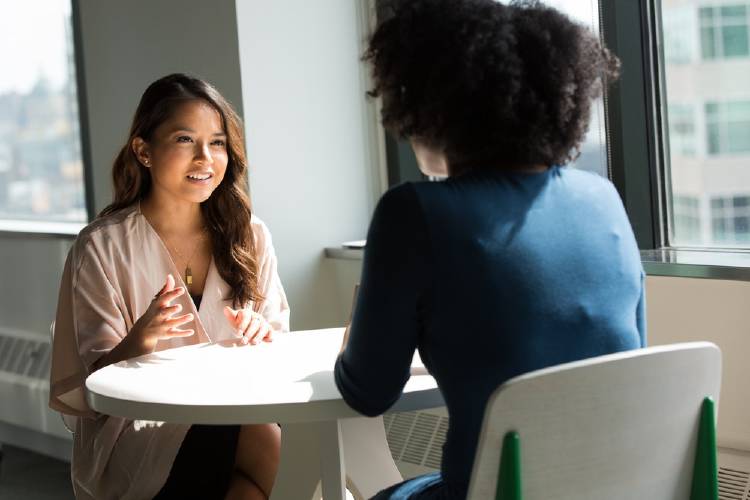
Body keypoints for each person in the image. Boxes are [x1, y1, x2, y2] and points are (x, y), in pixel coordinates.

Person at [334, 1, 645, 498]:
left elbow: (368, 392)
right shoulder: (602, 199)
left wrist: (356, 342)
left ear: (433, 107)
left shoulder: (412, 213)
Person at [49, 74, 289, 500]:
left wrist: (262, 334)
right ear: (143, 151)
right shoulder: (101, 246)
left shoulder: (251, 235)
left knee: (251, 483)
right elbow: (92, 388)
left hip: (239, 412)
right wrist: (138, 342)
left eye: (217, 142)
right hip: (138, 433)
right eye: (184, 140)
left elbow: (279, 347)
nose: (206, 158)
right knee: (268, 443)